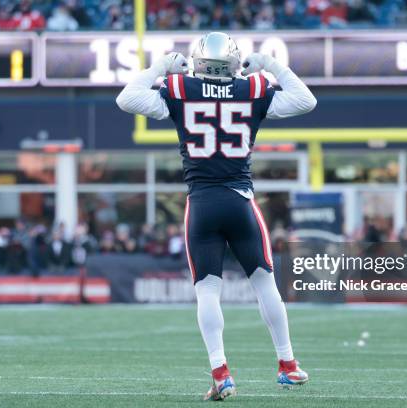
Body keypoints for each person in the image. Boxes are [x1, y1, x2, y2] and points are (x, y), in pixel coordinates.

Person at [116, 32, 316, 400]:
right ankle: (287, 365)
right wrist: (270, 64)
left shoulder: (180, 88)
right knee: (264, 283)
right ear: (235, 62)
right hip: (240, 201)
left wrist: (161, 65)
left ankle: (221, 372)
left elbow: (126, 98)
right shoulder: (252, 88)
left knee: (207, 290)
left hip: (202, 203)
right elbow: (306, 100)